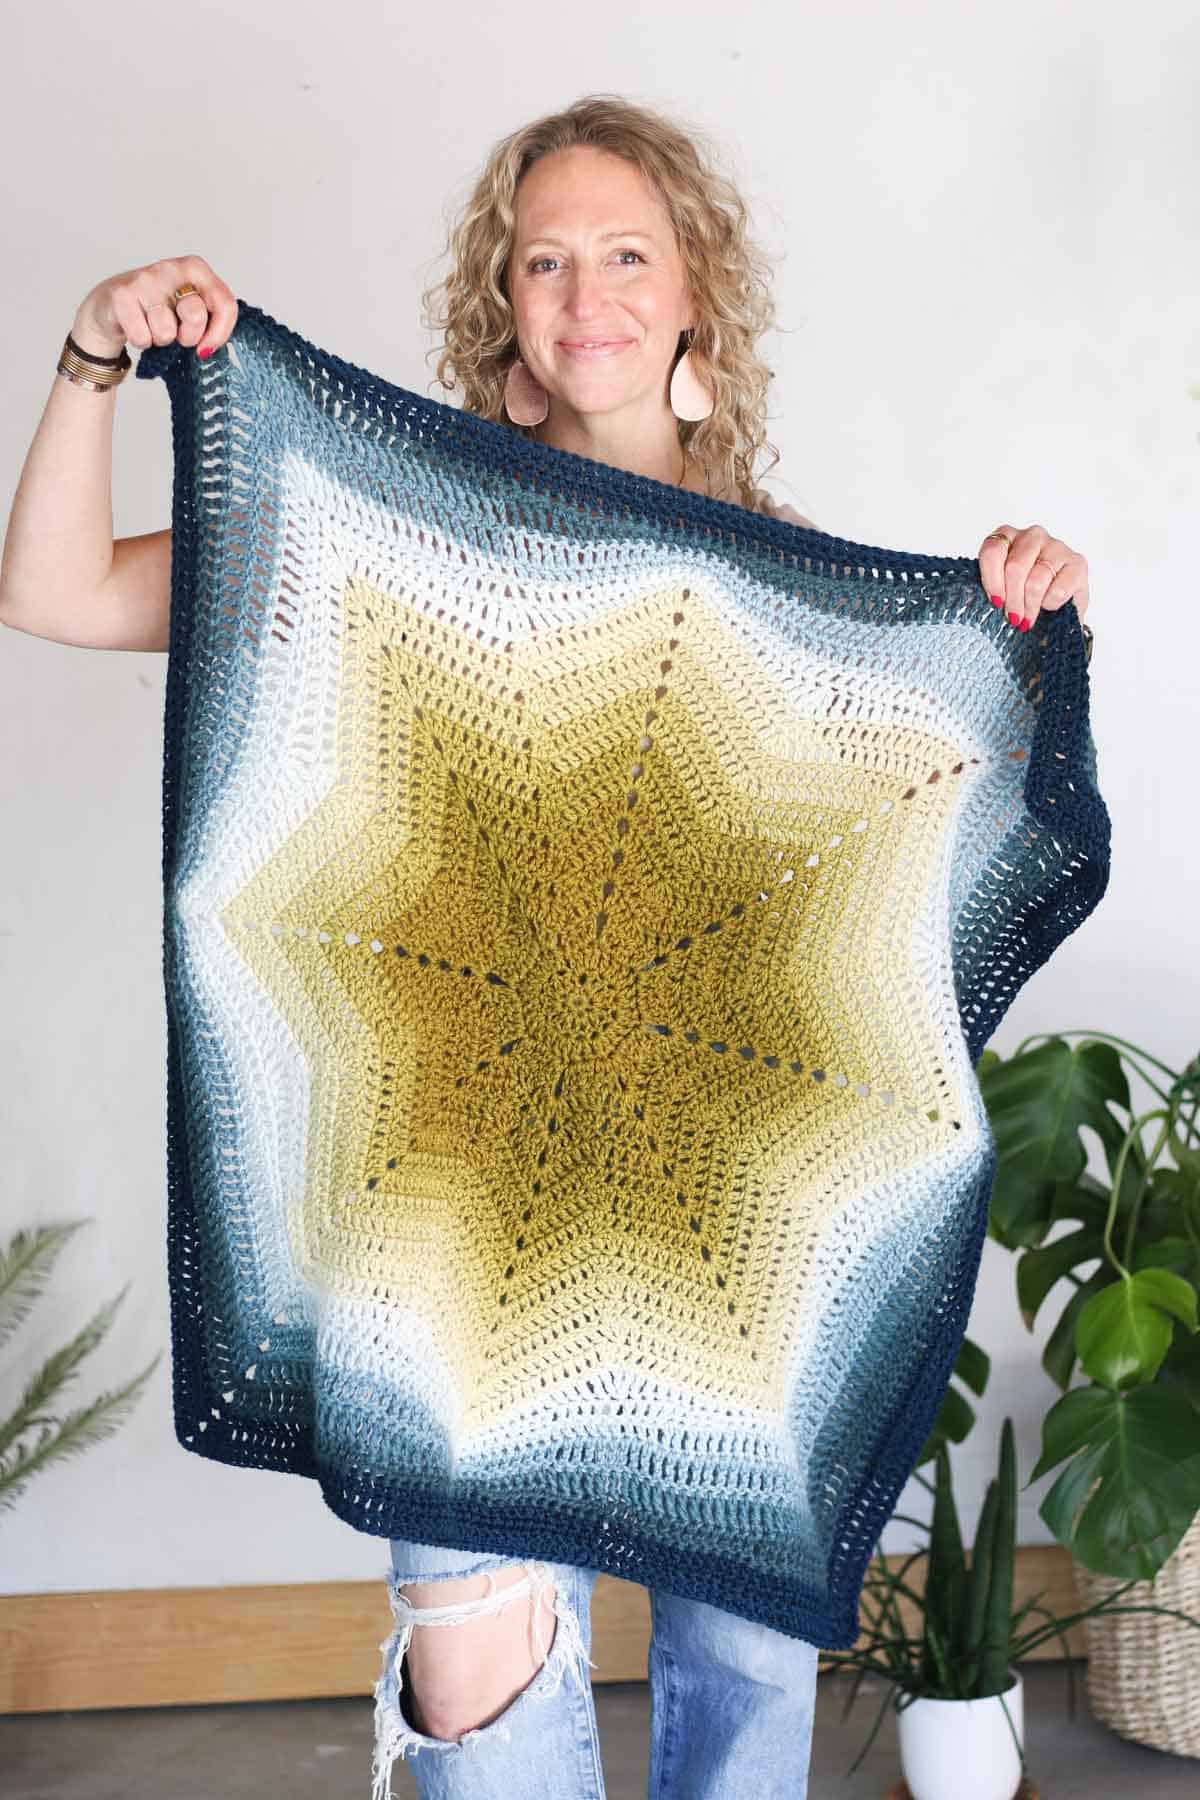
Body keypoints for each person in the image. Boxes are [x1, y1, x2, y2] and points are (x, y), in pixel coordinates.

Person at [0, 91, 1093, 1800]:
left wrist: (1021, 610)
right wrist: (88, 363)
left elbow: (934, 852)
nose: (586, 289)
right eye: (544, 260)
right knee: (486, 1735)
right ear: (507, 322)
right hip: (447, 1244)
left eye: (626, 253)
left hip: (730, 1263)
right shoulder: (394, 552)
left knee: (741, 1729)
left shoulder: (808, 599)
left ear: (691, 310)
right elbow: (55, 589)